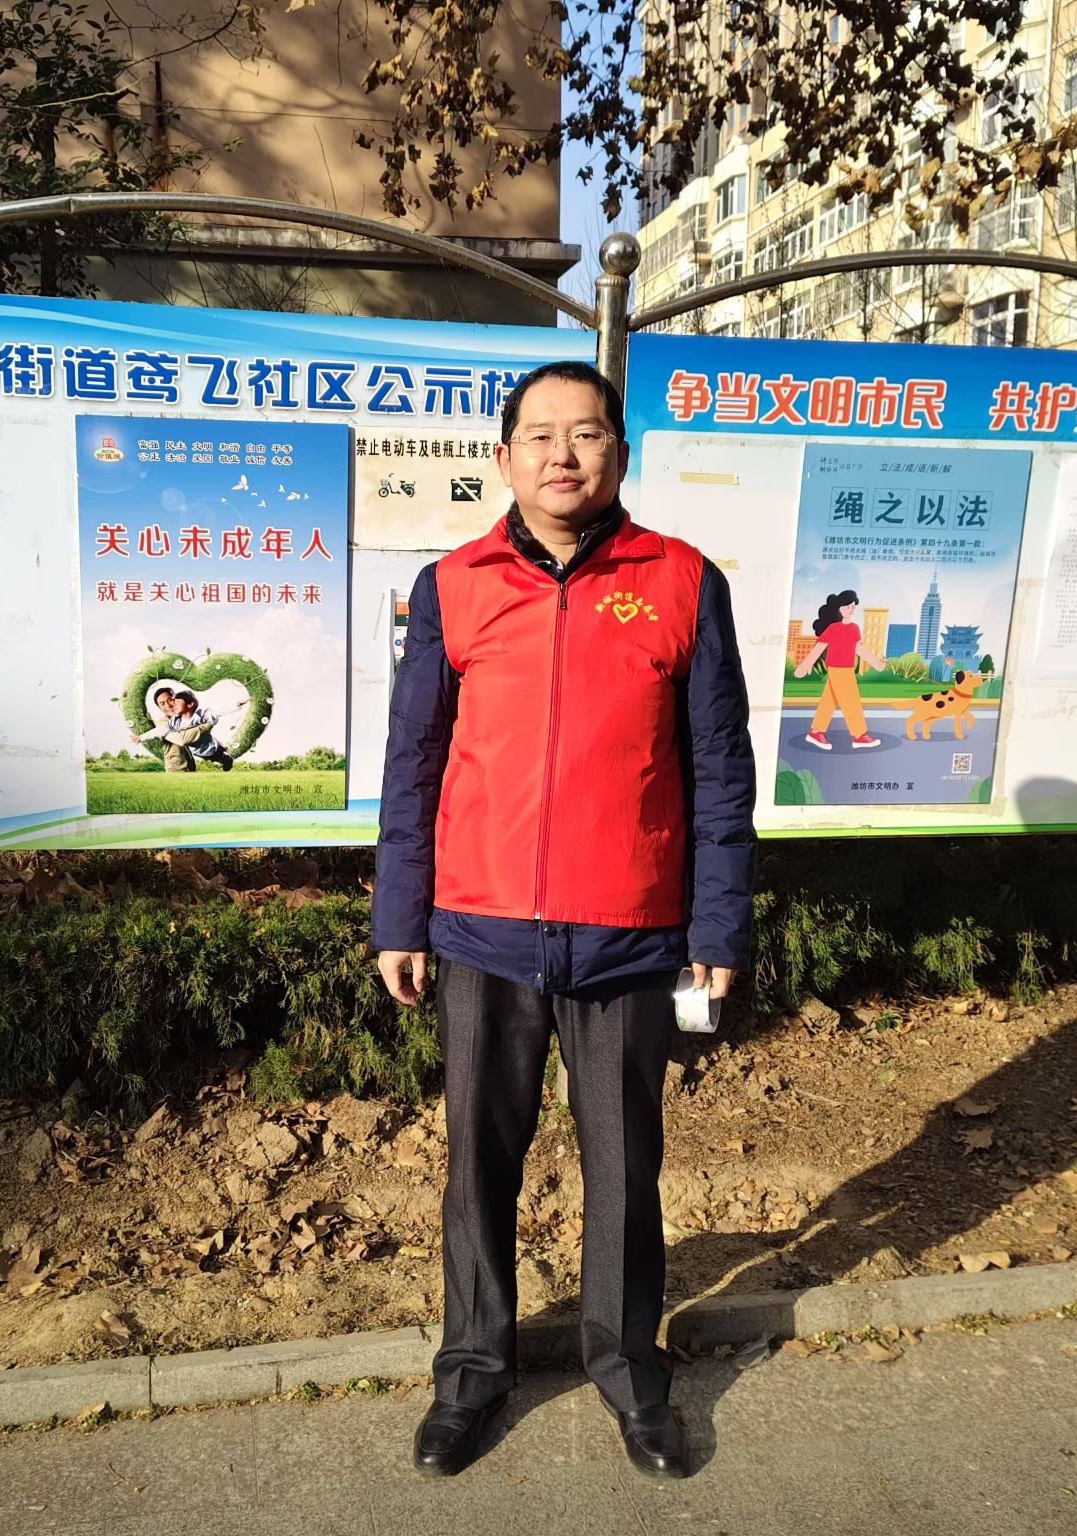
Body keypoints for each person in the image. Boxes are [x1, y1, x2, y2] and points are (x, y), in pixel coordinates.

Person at [372, 360, 756, 1481]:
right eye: (539, 435)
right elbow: (413, 762)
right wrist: (400, 915)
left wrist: (715, 931)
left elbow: (718, 770)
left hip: (628, 933)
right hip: (480, 931)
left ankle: (630, 1371)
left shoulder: (680, 580)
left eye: (585, 434)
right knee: (476, 1166)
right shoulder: (453, 586)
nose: (562, 454)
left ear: (618, 454)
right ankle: (470, 1373)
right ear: (503, 459)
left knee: (624, 1167)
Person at [790, 590, 890, 750]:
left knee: (829, 701)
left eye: (853, 607)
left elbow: (858, 649)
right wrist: (805, 665)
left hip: (846, 668)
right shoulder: (833, 628)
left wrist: (876, 663)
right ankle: (859, 735)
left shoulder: (854, 628)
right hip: (838, 669)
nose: (851, 609)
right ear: (840, 609)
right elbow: (819, 648)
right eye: (847, 607)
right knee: (851, 701)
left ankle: (815, 732)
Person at [133, 685, 238, 771]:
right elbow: (182, 739)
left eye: (170, 700)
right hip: (177, 769)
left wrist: (236, 706)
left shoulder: (189, 715)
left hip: (191, 764)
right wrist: (208, 725)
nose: (168, 705)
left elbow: (216, 713)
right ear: (159, 707)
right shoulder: (164, 722)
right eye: (162, 704)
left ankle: (225, 758)